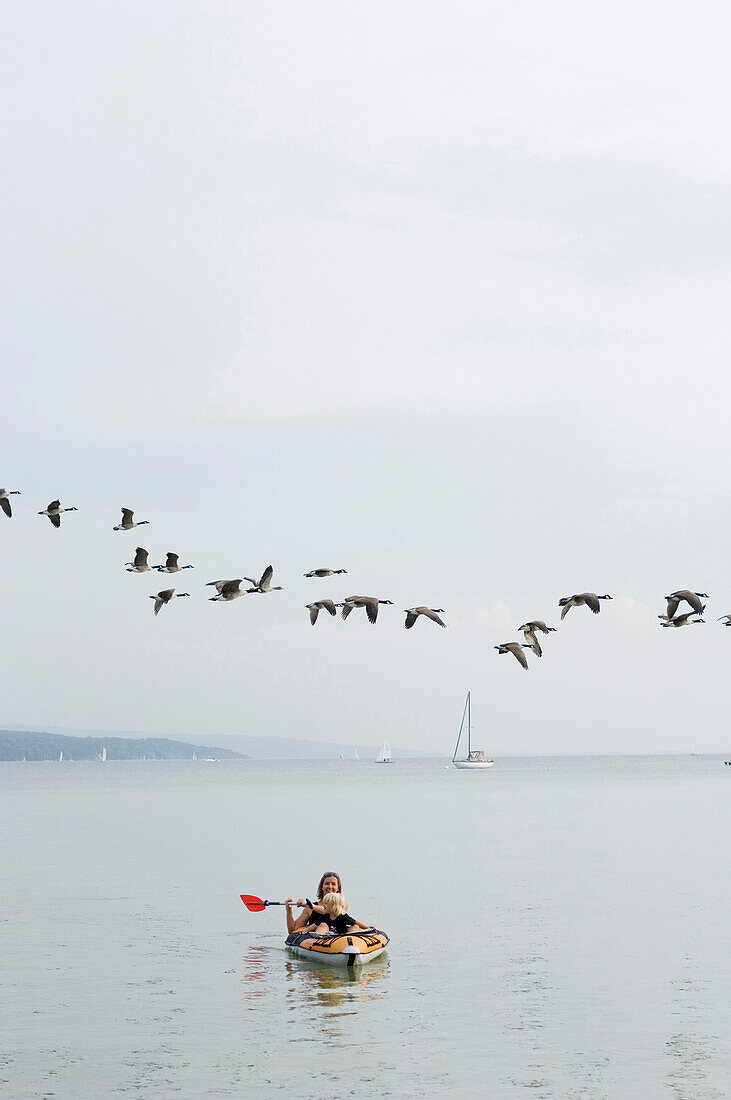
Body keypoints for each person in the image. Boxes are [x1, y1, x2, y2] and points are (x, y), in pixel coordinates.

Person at [302, 891, 372, 936]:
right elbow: (315, 925)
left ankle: (352, 939)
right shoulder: (325, 916)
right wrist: (305, 930)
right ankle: (320, 939)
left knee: (355, 927)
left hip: (342, 934)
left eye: (326, 904)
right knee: (322, 925)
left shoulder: (343, 916)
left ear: (333, 906)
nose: (323, 905)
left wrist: (366, 927)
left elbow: (355, 922)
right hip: (328, 934)